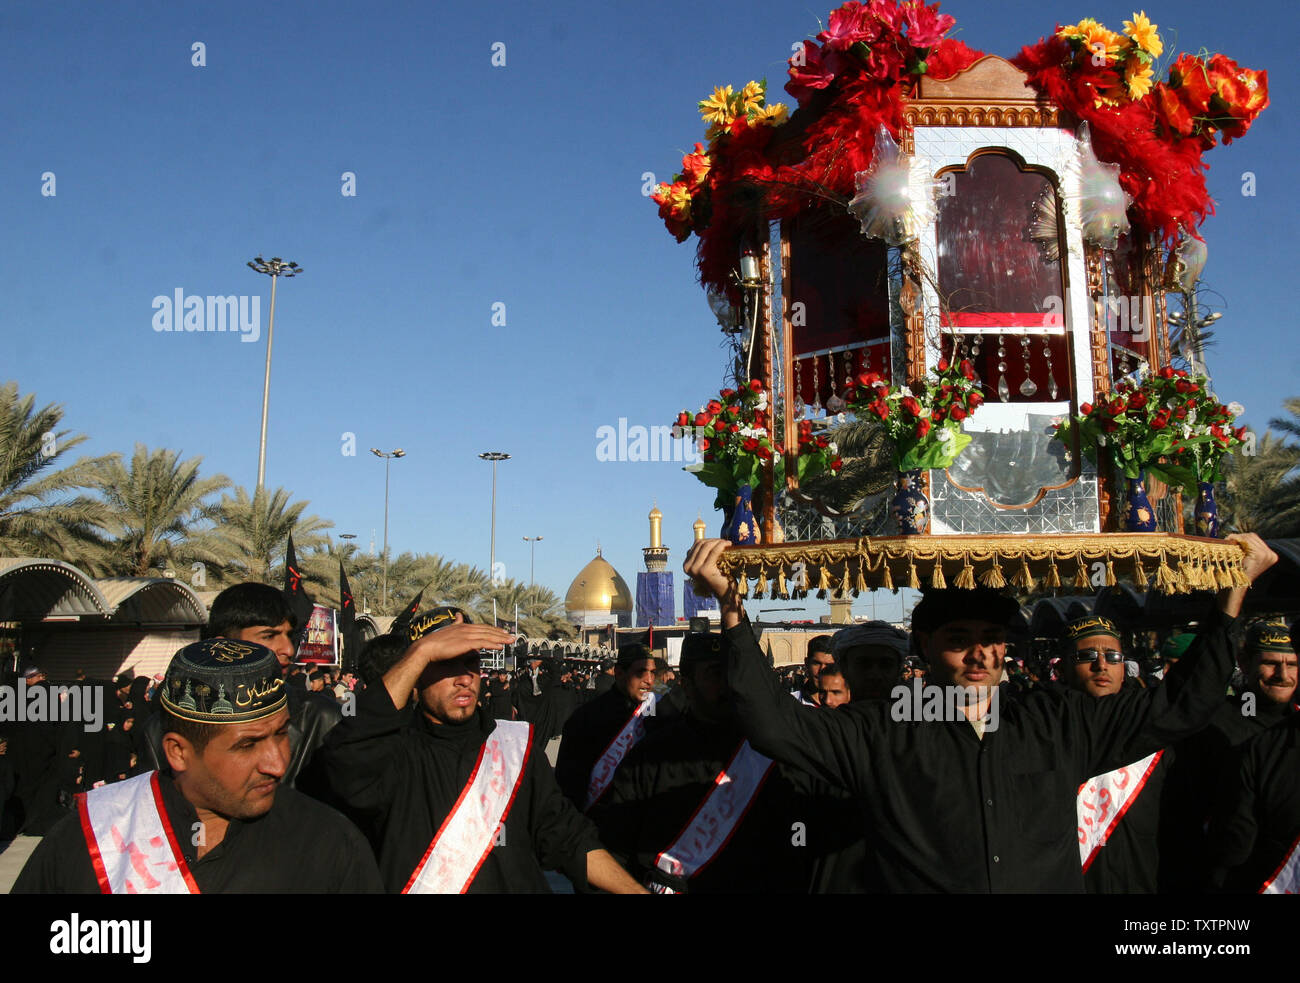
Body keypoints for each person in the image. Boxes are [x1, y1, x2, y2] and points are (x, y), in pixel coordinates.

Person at [683, 534, 1276, 892]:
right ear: (924, 647)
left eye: (992, 635)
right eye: (959, 636)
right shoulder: (882, 730)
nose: (980, 652)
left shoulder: (1056, 721)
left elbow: (1181, 707)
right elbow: (773, 725)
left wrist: (1232, 601)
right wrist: (732, 612)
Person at [12, 638, 383, 893]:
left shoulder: (329, 844)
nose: (278, 762)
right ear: (178, 752)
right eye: (248, 745)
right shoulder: (93, 832)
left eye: (282, 733)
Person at [319, 607, 646, 893]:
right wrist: (419, 653)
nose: (464, 678)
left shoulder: (513, 747)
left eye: (471, 662)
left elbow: (565, 837)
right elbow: (346, 759)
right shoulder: (393, 751)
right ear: (417, 673)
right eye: (444, 664)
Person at [591, 633, 809, 894]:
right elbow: (619, 843)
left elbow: (798, 827)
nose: (727, 684)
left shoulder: (766, 748)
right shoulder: (651, 756)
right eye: (715, 673)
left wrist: (799, 853)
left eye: (732, 672)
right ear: (686, 684)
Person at [1058, 613, 1168, 893]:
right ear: (1063, 667)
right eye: (1087, 656)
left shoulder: (1155, 725)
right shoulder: (1040, 724)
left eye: (1113, 657)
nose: (1101, 665)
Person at [555, 644, 662, 811]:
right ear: (619, 673)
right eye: (640, 672)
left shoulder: (659, 712)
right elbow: (569, 786)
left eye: (653, 672)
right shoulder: (587, 718)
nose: (649, 680)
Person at [794, 635, 834, 706]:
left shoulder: (849, 705)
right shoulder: (792, 703)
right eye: (816, 663)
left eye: (828, 665)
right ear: (806, 663)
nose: (822, 670)